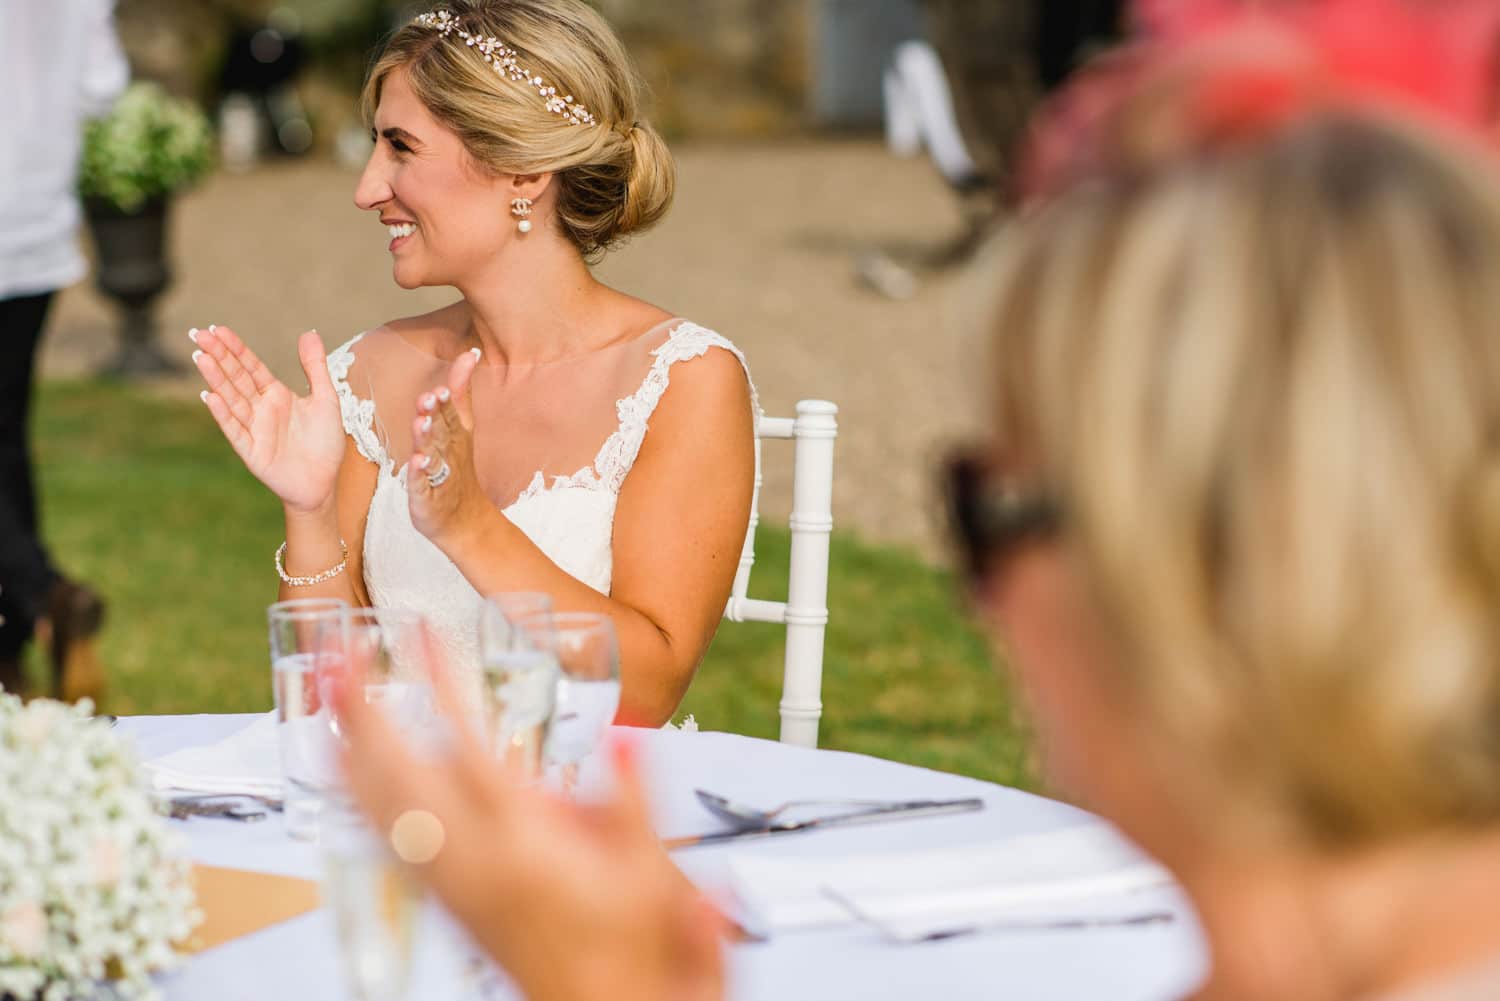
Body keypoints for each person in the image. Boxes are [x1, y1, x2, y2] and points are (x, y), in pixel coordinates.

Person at [336, 2, 1500, 1000]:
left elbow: (645, 665)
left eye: (982, 506)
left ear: (1200, 563)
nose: (977, 605)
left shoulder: (683, 374)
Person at [193, 0, 757, 726]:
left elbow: (644, 695)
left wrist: (468, 527)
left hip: (576, 816)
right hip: (394, 814)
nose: (367, 188)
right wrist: (308, 511)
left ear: (522, 171)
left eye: (401, 147)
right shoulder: (372, 370)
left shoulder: (683, 379)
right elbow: (319, 703)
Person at [0, 0, 128, 699]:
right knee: (6, 438)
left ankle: (43, 590)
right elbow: (102, 84)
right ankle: (14, 644)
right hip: (36, 225)